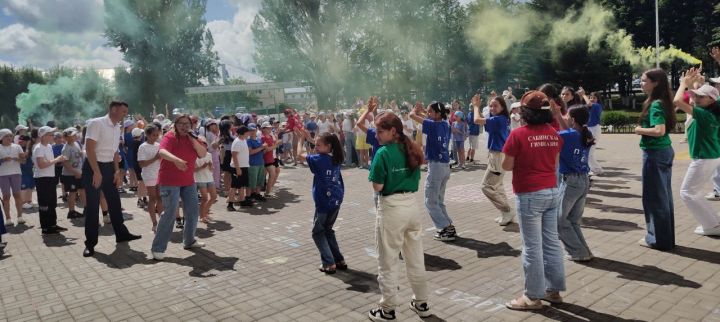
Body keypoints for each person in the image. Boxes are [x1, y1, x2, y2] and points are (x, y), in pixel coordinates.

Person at [502, 91, 565, 310]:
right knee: (551, 242)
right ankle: (553, 290)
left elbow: (506, 165)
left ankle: (532, 296)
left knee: (532, 247)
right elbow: (555, 163)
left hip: (529, 194)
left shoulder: (518, 135)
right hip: (551, 191)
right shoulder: (554, 133)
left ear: (526, 112)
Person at [367, 112, 431, 321]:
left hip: (392, 208)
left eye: (380, 131)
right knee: (415, 258)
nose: (377, 135)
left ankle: (387, 309)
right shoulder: (411, 147)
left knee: (387, 261)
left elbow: (378, 186)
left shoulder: (383, 153)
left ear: (393, 131)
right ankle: (421, 302)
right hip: (412, 206)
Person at [82, 101, 141, 257]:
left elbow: (115, 152)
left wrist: (116, 171)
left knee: (115, 202)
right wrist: (96, 171)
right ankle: (90, 244)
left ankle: (121, 234)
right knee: (93, 206)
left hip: (109, 167)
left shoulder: (117, 128)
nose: (125, 115)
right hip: (93, 167)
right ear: (113, 109)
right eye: (123, 111)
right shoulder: (97, 123)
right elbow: (89, 149)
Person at [150, 114, 208, 260]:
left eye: (187, 124)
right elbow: (162, 152)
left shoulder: (194, 138)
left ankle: (189, 241)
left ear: (192, 125)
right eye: (181, 123)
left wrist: (193, 140)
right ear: (175, 125)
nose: (184, 126)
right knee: (169, 213)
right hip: (169, 181)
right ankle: (158, 248)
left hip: (188, 181)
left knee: (193, 212)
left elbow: (203, 154)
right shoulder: (169, 137)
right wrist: (176, 160)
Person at [674, 68, 720, 236]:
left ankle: (713, 226)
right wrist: (696, 84)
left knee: (687, 193)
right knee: (693, 192)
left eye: (701, 96)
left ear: (711, 100)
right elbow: (693, 99)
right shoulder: (712, 111)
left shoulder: (704, 114)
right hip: (711, 156)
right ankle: (714, 223)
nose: (696, 98)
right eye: (696, 95)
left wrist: (682, 84)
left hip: (703, 158)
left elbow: (678, 101)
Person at [635, 68, 677, 251]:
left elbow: (659, 131)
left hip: (655, 153)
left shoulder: (656, 104)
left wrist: (639, 130)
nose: (641, 83)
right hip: (663, 152)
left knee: (655, 198)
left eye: (644, 80)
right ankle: (664, 239)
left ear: (656, 83)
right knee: (663, 197)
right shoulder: (662, 101)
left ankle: (657, 240)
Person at [409, 101, 456, 241]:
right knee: (439, 201)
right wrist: (425, 110)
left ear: (437, 113)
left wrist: (415, 110)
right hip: (445, 166)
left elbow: (412, 115)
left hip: (436, 167)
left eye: (430, 111)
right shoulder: (445, 123)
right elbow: (431, 117)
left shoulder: (432, 125)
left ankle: (446, 227)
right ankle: (448, 227)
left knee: (430, 201)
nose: (428, 114)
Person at [558, 105, 595, 261]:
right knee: (572, 220)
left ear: (573, 119)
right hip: (583, 180)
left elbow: (550, 135)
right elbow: (568, 130)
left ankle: (578, 252)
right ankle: (583, 251)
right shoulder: (585, 133)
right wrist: (558, 114)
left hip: (571, 181)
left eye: (566, 115)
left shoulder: (568, 135)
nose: (564, 117)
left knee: (558, 220)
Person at [306, 133, 347, 274]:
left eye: (318, 145)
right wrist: (311, 140)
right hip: (335, 200)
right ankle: (339, 259)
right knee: (328, 230)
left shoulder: (320, 159)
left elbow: (300, 155)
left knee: (317, 232)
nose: (315, 148)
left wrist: (300, 140)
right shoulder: (335, 158)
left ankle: (329, 263)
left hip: (324, 202)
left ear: (328, 146)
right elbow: (319, 149)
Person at [472, 94, 514, 226]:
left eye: (496, 105)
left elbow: (477, 120)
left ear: (502, 107)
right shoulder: (501, 119)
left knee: (487, 186)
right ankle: (506, 212)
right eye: (490, 105)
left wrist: (475, 106)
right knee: (498, 186)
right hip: (497, 155)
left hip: (498, 156)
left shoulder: (498, 120)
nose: (492, 108)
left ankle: (507, 210)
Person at [33, 126, 67, 235]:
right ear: (43, 136)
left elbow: (47, 162)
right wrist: (57, 160)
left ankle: (52, 224)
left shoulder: (48, 146)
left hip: (50, 177)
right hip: (42, 179)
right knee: (44, 203)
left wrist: (58, 159)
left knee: (52, 202)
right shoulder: (39, 148)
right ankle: (46, 227)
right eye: (50, 134)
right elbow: (41, 165)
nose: (53, 136)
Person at [138, 125, 162, 233]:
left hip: (160, 174)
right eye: (153, 135)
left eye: (157, 135)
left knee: (160, 198)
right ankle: (154, 223)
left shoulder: (159, 145)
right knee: (152, 198)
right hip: (149, 175)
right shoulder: (143, 147)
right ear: (147, 135)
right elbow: (142, 164)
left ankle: (161, 222)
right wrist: (155, 158)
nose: (156, 137)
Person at [0, 129, 26, 225]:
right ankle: (8, 218)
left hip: (16, 173)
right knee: (6, 196)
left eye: (10, 136)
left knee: (17, 195)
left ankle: (20, 216)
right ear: (1, 137)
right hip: (2, 175)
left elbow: (23, 161)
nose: (9, 138)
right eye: (6, 136)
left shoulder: (17, 146)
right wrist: (2, 160)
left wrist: (18, 159)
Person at [60, 128, 84, 219]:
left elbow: (79, 154)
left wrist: (82, 153)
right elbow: (65, 163)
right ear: (67, 138)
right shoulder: (66, 148)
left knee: (82, 190)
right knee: (72, 192)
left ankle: (86, 209)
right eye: (73, 135)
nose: (75, 136)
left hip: (79, 173)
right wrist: (75, 172)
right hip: (70, 175)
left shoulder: (76, 144)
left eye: (75, 135)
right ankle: (71, 212)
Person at [580, 89, 604, 175]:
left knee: (589, 152)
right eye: (590, 97)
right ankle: (592, 168)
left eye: (594, 98)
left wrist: (583, 94)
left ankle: (597, 169)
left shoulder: (597, 106)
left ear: (598, 99)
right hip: (590, 129)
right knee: (587, 151)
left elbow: (589, 103)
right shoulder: (590, 107)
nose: (592, 99)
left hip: (594, 129)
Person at [229, 125, 253, 210]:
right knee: (234, 186)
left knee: (242, 185)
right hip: (237, 167)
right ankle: (230, 204)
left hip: (244, 166)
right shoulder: (237, 141)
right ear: (243, 133)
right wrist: (238, 168)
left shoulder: (243, 140)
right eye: (247, 132)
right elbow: (234, 156)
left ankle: (242, 201)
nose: (249, 133)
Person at [194, 136, 216, 224]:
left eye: (204, 144)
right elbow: (193, 170)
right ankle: (202, 216)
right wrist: (202, 167)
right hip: (200, 179)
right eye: (201, 144)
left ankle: (204, 214)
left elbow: (211, 169)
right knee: (204, 198)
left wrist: (211, 166)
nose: (203, 146)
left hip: (209, 178)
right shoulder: (195, 155)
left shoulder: (209, 155)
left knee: (214, 197)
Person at [260, 122, 280, 198]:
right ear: (263, 129)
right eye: (267, 128)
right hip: (265, 159)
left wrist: (277, 141)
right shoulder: (262, 137)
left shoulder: (270, 136)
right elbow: (267, 149)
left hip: (271, 158)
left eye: (270, 128)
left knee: (271, 174)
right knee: (271, 174)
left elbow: (272, 145)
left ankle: (267, 192)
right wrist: (276, 145)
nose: (269, 129)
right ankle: (266, 192)